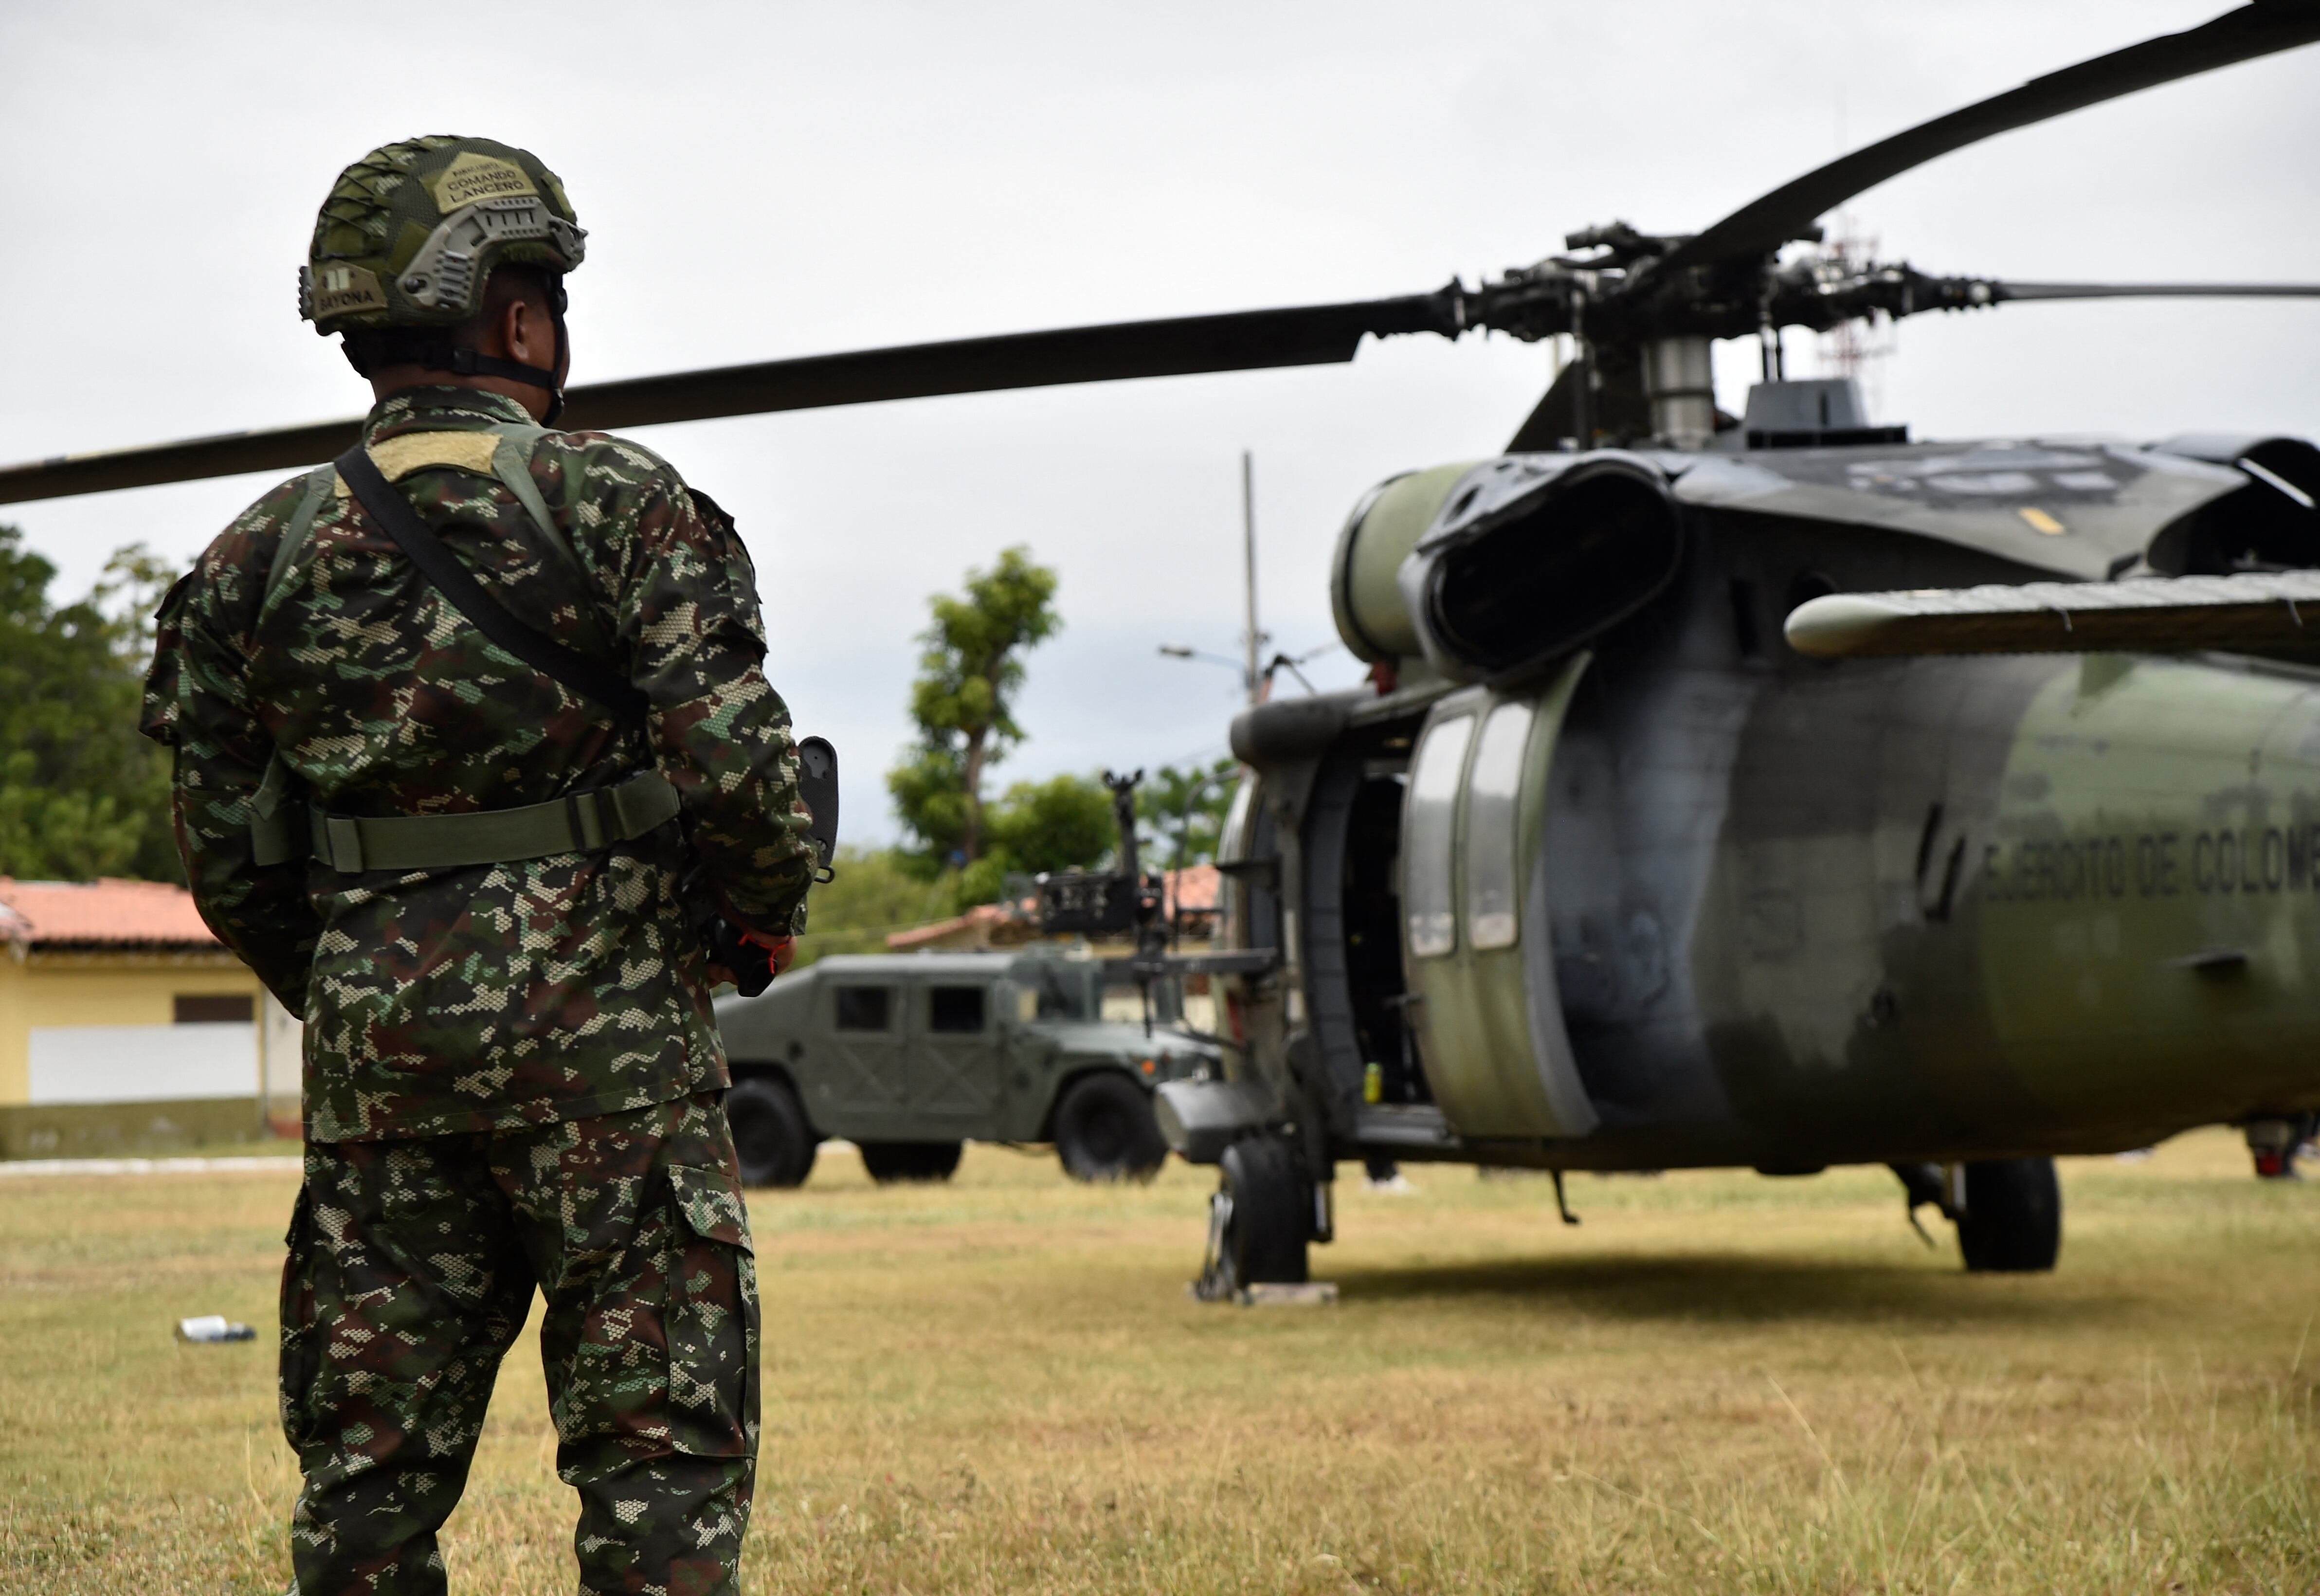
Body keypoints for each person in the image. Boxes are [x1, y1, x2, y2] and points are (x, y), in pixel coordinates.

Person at [140, 135, 818, 1595]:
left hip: (385, 1076)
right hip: (617, 1078)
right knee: (659, 1465)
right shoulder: (622, 504)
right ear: (519, 319)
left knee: (368, 1484)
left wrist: (360, 992)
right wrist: (748, 923)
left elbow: (225, 859)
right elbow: (742, 769)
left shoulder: (250, 558)